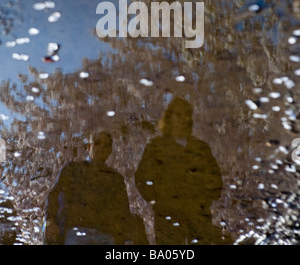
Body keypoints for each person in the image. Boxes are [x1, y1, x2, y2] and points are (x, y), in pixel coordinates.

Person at [135, 97, 230, 245]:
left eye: (186, 114)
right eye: (178, 114)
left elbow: (215, 180)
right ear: (169, 117)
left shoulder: (201, 148)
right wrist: (158, 202)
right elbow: (142, 178)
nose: (183, 119)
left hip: (198, 217)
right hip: (168, 217)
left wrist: (203, 201)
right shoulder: (156, 147)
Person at [43, 131, 148, 245]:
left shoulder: (116, 179)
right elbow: (54, 196)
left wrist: (127, 238)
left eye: (106, 145)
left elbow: (123, 210)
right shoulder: (72, 169)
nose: (102, 147)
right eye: (97, 143)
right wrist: (50, 221)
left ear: (110, 150)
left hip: (106, 235)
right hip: (77, 232)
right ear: (89, 147)